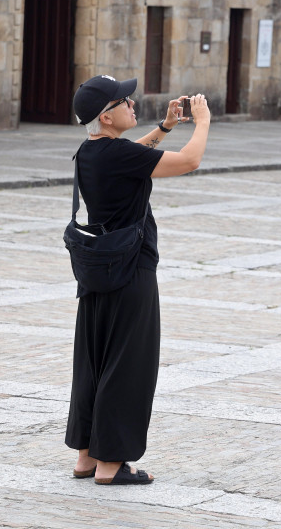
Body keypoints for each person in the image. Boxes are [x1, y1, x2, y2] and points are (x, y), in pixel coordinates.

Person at [65, 74, 211, 485]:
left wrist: (165, 128)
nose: (132, 103)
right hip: (131, 270)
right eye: (123, 101)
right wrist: (201, 122)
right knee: (128, 365)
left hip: (99, 272)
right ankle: (112, 464)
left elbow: (134, 154)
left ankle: (87, 457)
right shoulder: (118, 155)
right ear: (106, 117)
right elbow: (189, 162)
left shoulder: (91, 151)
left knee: (94, 361)